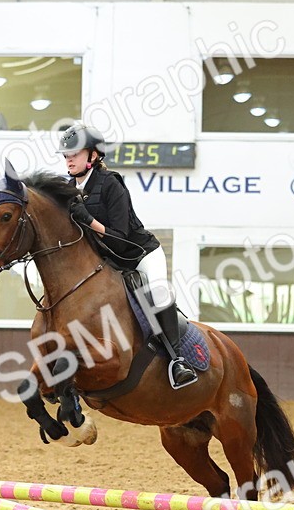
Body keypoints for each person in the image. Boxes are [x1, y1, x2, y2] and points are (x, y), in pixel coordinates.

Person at [57, 123, 198, 390]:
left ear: (94, 156)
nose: (69, 159)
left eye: (74, 153)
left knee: (158, 292)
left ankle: (178, 361)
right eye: (66, 155)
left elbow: (119, 238)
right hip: (106, 261)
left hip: (137, 253)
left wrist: (88, 219)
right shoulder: (67, 189)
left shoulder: (111, 184)